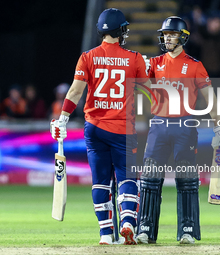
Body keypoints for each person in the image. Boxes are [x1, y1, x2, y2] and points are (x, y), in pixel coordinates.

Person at [50, 8, 149, 245]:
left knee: (100, 181)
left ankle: (105, 234)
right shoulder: (134, 58)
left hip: (94, 128)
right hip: (123, 129)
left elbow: (75, 92)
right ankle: (127, 222)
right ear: (119, 31)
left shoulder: (88, 57)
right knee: (127, 179)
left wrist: (63, 118)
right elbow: (149, 90)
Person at [136, 16, 220, 245]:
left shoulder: (195, 65)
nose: (168, 38)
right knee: (149, 179)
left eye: (172, 34)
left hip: (185, 127)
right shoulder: (154, 63)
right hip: (158, 125)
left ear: (183, 37)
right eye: (165, 34)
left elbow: (210, 98)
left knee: (187, 180)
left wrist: (219, 125)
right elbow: (139, 86)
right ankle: (145, 229)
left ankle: (187, 230)